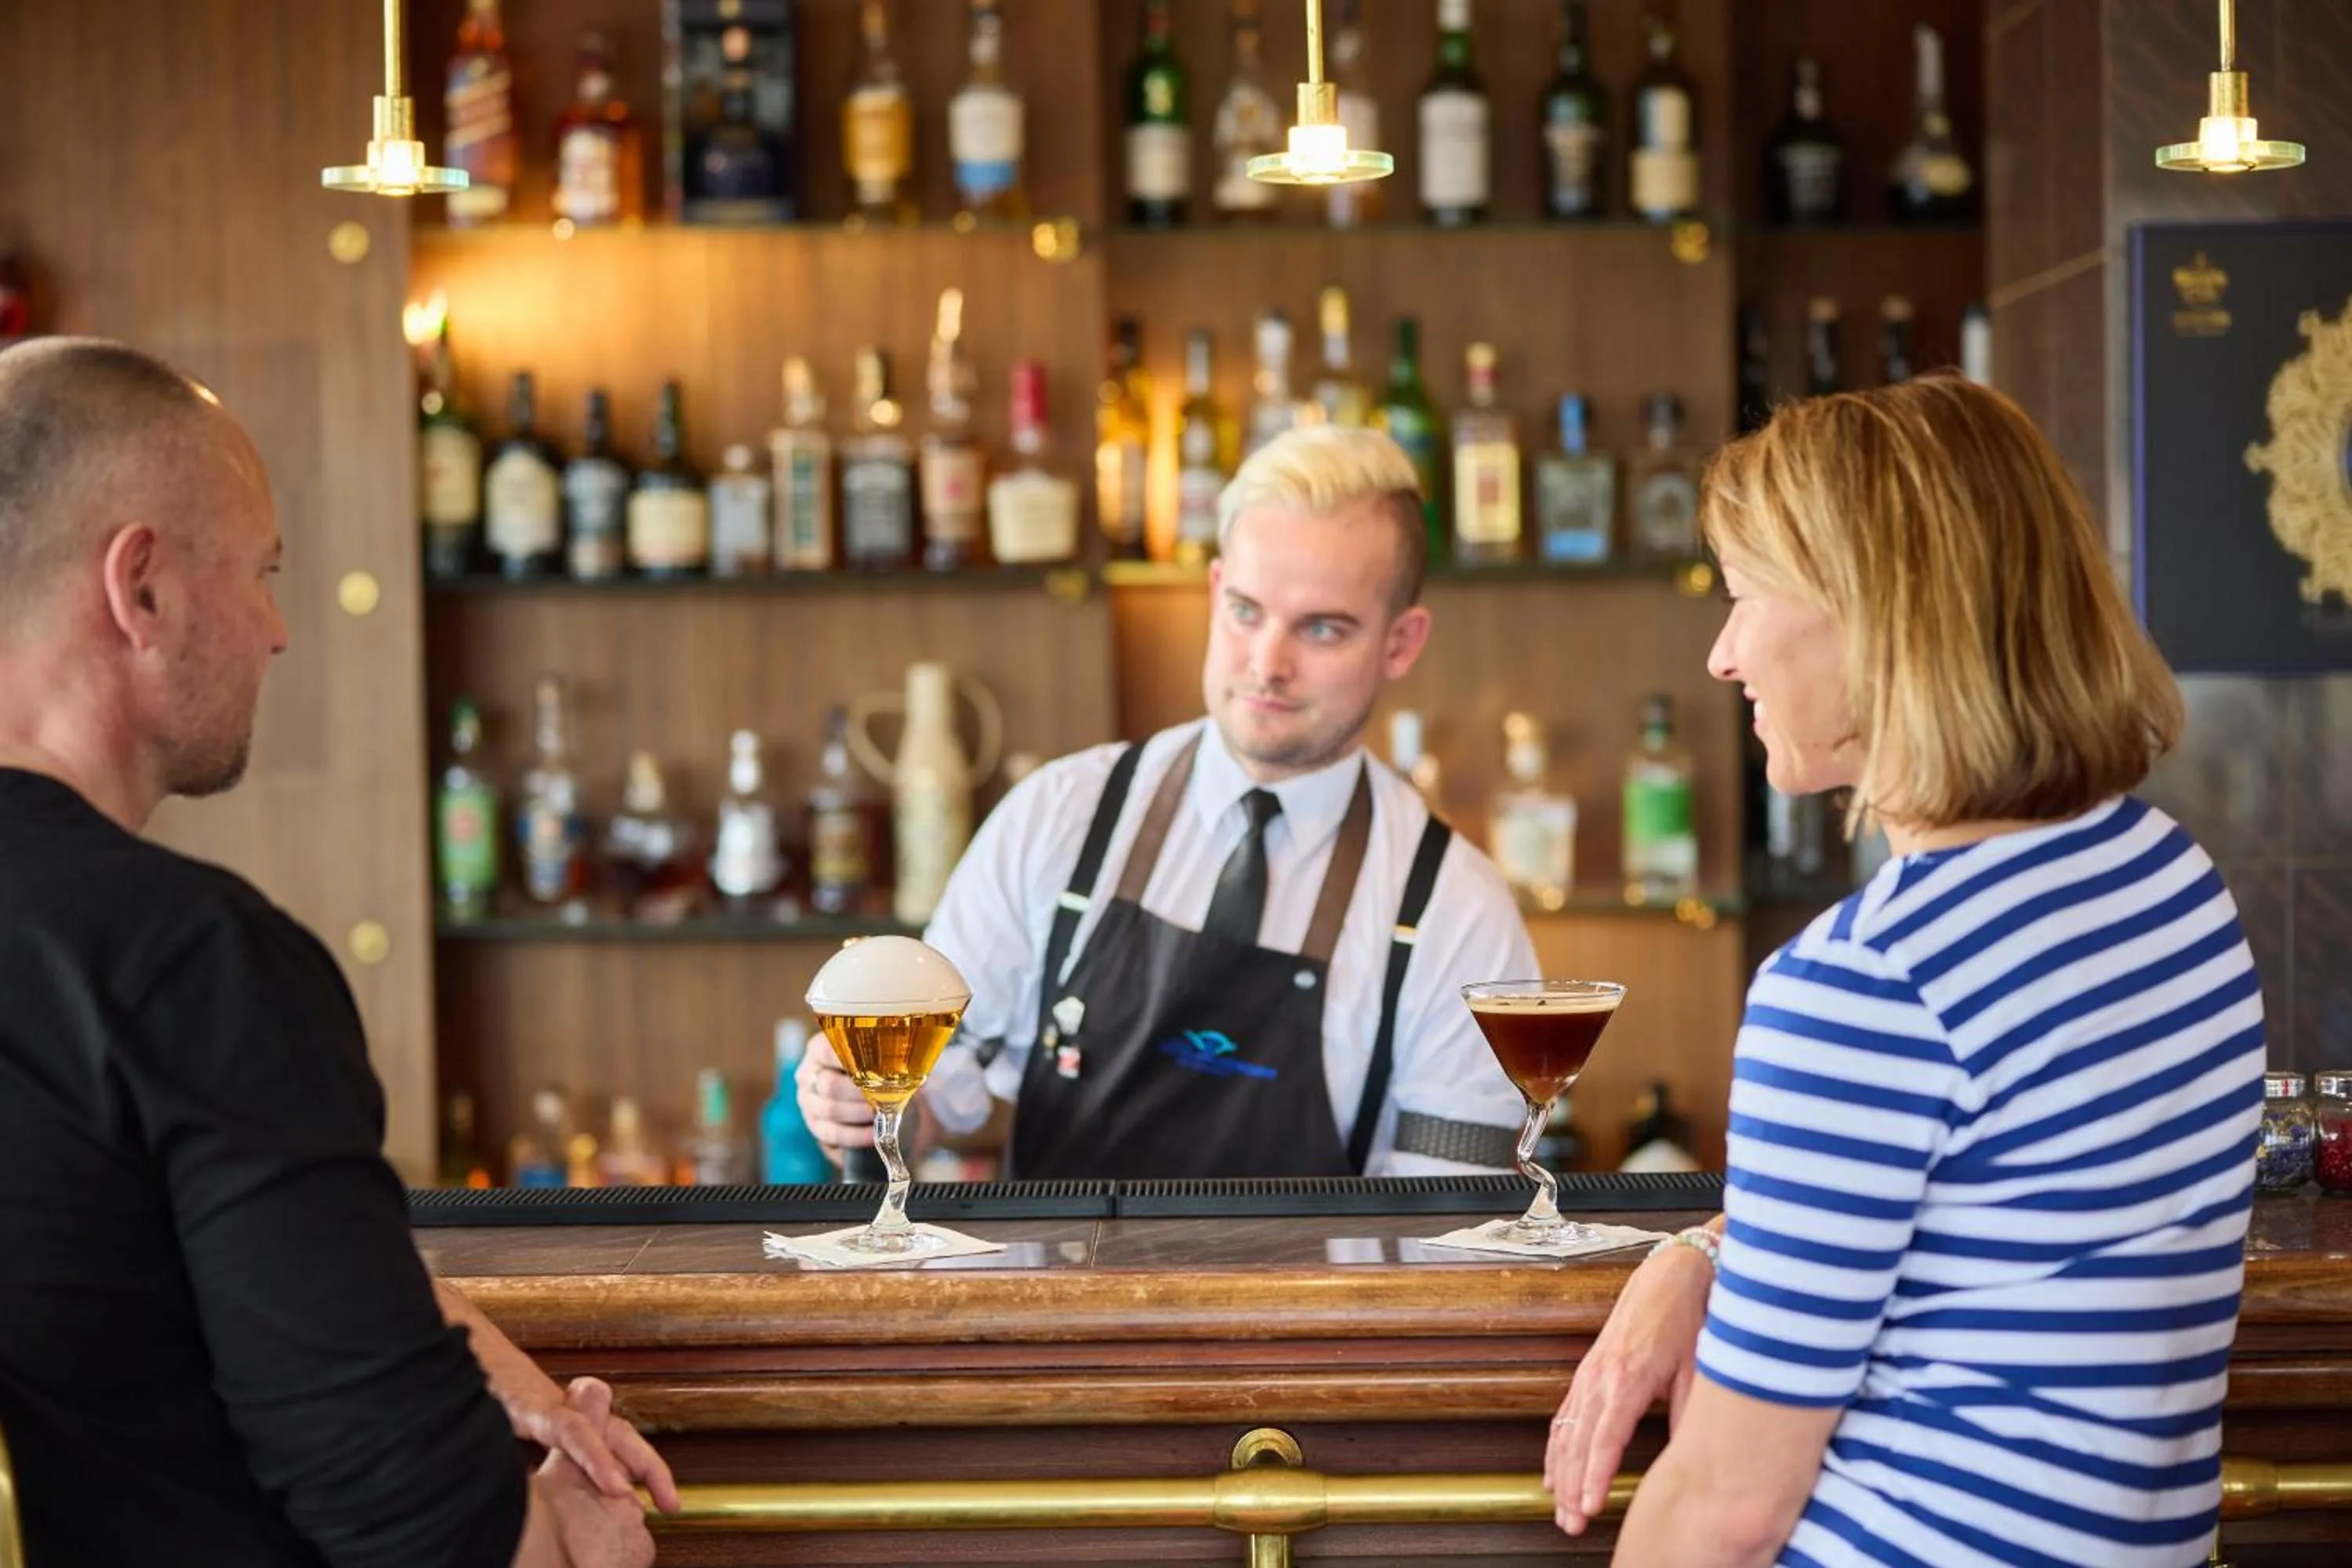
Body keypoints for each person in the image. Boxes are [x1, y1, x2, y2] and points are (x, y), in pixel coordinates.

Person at [1544, 375, 2265, 1566]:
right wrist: (1699, 1250)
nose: (1723, 657)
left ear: (1876, 615)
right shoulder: (2167, 879)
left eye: (1742, 599)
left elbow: (1726, 1508)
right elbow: (1982, 1209)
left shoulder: (1864, 986)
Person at [0, 338, 677, 1567]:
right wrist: (583, 1547)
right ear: (139, 588)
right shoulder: (192, 966)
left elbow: (112, 1253)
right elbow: (439, 1542)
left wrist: (438, 1326)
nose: (277, 633)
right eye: (261, 573)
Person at [800, 425, 1538, 1178]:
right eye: (1247, 612)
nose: (1267, 664)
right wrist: (865, 1109)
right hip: (1059, 1295)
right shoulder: (1059, 817)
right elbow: (934, 1091)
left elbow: (1442, 1234)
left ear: (1401, 643)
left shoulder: (1457, 911)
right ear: (1215, 591)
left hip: (1310, 1299)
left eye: (1321, 629)